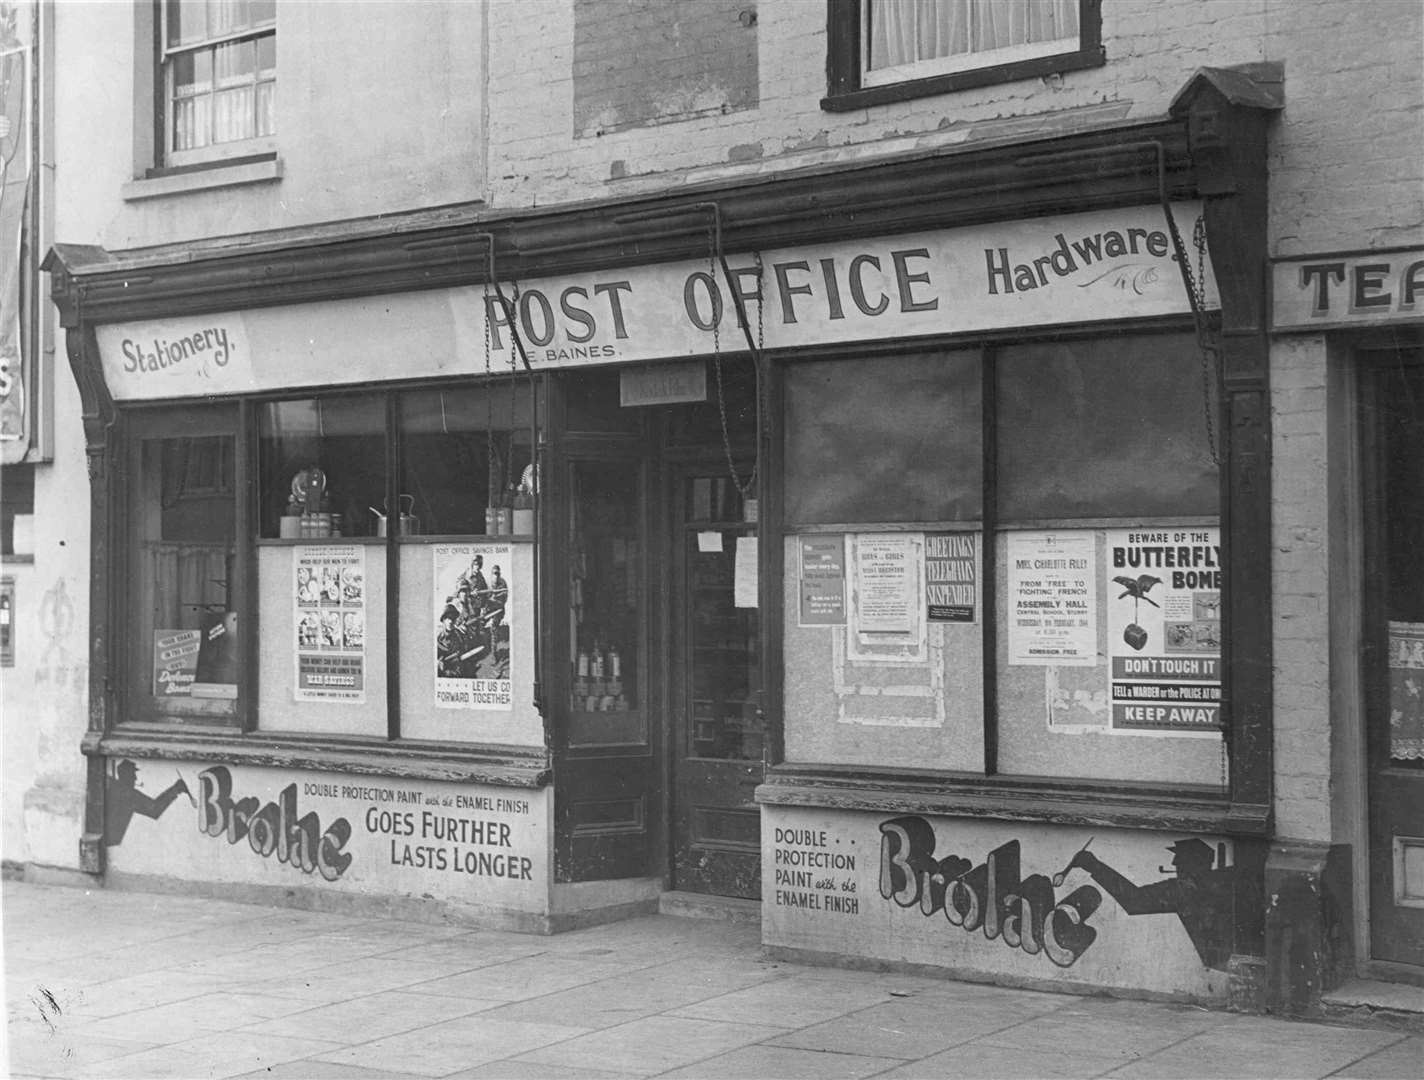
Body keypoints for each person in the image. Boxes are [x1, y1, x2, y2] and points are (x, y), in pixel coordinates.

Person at [1066, 838, 1235, 971]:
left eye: (1180, 858)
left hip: (1222, 964)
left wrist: (1093, 865)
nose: (1175, 863)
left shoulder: (1184, 889)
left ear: (1194, 862)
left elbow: (1135, 900)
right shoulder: (1222, 879)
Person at [104, 760, 190, 846]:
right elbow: (154, 809)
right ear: (125, 775)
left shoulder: (112, 787)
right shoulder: (128, 794)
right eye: (132, 774)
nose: (135, 778)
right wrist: (176, 789)